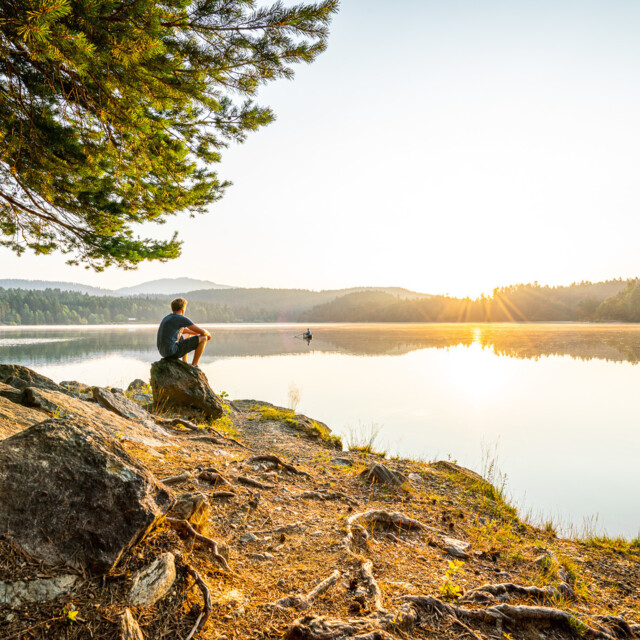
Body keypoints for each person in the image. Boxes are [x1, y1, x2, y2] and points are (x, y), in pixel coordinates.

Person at [156, 297, 211, 367]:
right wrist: (208, 333)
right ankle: (195, 365)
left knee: (187, 334)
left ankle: (184, 361)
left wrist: (195, 333)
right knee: (204, 338)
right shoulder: (180, 318)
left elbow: (185, 331)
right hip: (172, 352)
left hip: (162, 352)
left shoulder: (167, 317)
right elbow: (202, 332)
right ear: (183, 309)